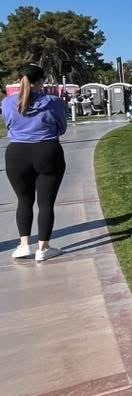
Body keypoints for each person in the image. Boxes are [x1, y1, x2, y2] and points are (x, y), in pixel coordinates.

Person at [2, 64, 68, 261]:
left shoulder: (7, 102)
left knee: (24, 200)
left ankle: (24, 245)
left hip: (17, 153)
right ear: (41, 81)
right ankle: (43, 248)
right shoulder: (53, 102)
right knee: (46, 203)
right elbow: (62, 127)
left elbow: (9, 124)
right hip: (47, 150)